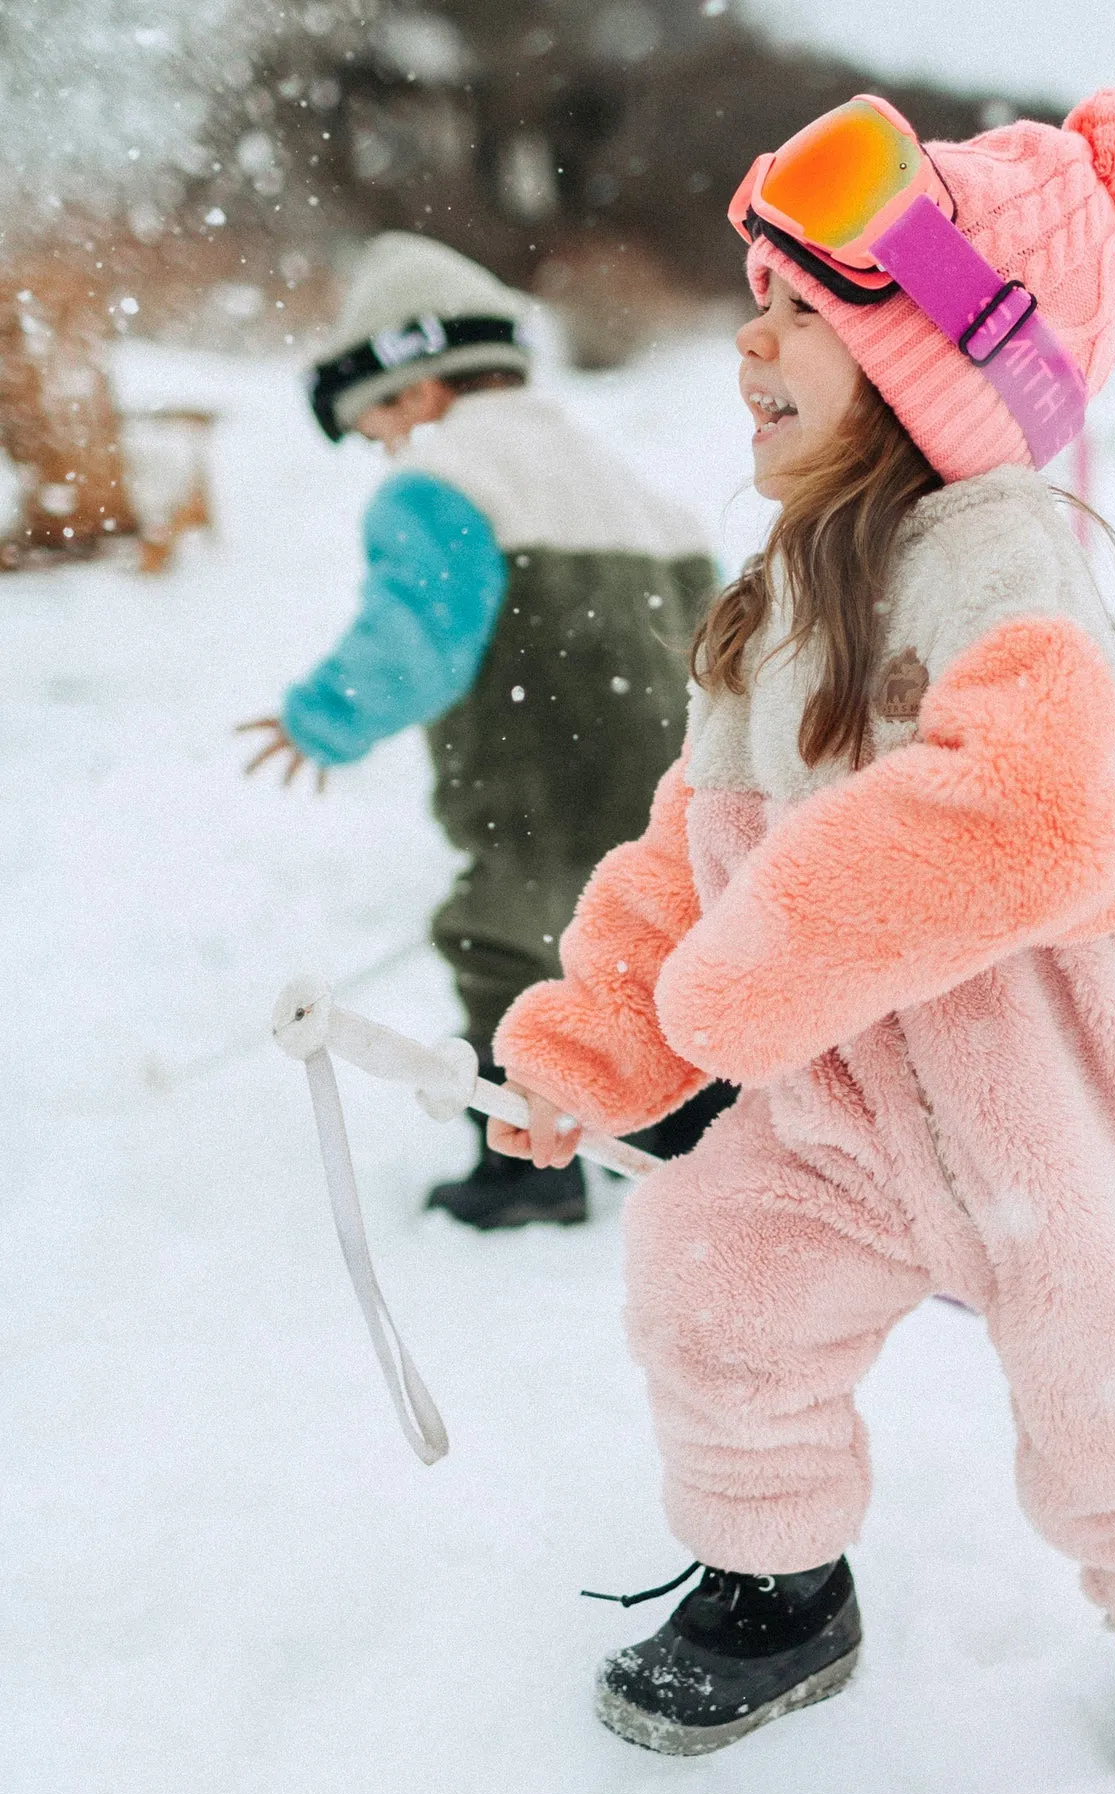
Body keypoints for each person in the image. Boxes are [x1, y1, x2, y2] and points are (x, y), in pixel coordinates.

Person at [489, 93, 1115, 1794]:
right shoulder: (774, 601)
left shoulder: (999, 555)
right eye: (755, 303)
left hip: (1050, 1069)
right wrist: (604, 1035)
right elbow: (685, 842)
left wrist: (738, 987)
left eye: (801, 313)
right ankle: (780, 1584)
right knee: (718, 1283)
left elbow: (1039, 807)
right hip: (840, 1079)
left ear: (940, 364)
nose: (748, 345)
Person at [241, 233, 732, 1230]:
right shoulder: (637, 491)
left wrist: (325, 718)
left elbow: (419, 632)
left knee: (506, 942)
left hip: (542, 787)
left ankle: (526, 1170)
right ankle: (698, 1136)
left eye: (378, 422)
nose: (385, 446)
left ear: (419, 388)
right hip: (674, 792)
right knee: (663, 954)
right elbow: (723, 648)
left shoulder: (446, 480)